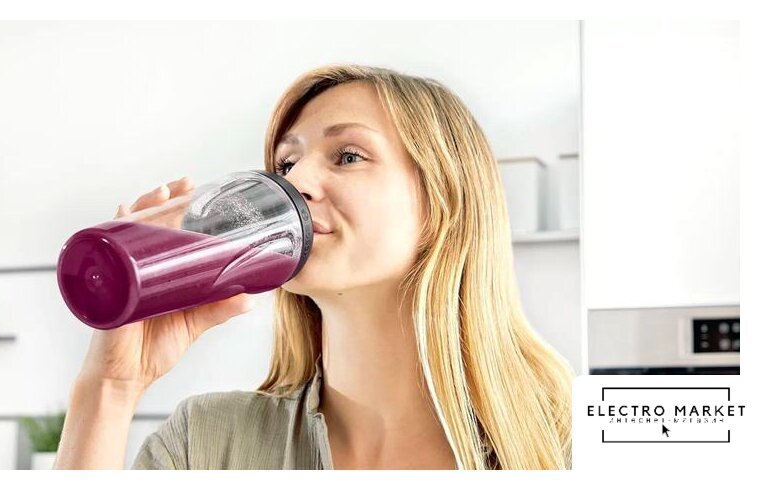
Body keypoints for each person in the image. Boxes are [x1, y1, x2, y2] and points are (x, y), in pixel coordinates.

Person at [54, 64, 573, 470]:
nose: (295, 182)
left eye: (348, 156)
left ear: (443, 200)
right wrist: (111, 387)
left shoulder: (568, 438)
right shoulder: (208, 443)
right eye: (286, 163)